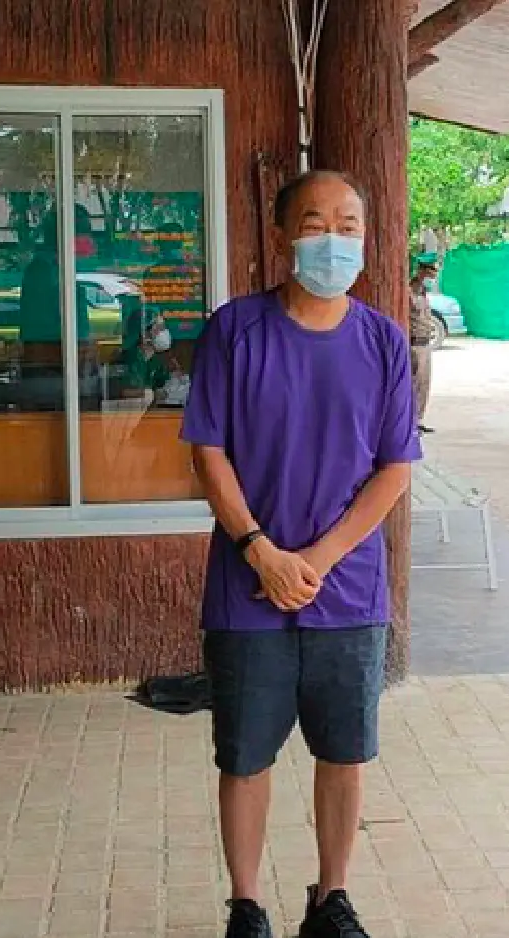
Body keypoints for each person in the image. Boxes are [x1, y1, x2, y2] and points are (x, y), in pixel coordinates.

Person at [181, 169, 420, 938]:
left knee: (343, 750)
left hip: (347, 592)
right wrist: (260, 551)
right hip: (248, 586)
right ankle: (246, 904)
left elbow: (394, 467)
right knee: (245, 755)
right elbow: (208, 449)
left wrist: (316, 556)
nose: (334, 238)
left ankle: (332, 896)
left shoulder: (382, 339)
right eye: (316, 222)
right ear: (284, 234)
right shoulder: (235, 329)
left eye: (349, 223)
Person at [408, 259, 436, 433]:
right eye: (430, 274)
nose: (432, 278)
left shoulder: (424, 293)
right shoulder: (408, 291)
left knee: (424, 384)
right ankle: (409, 422)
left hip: (426, 343)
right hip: (414, 343)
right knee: (412, 384)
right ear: (421, 272)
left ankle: (418, 420)